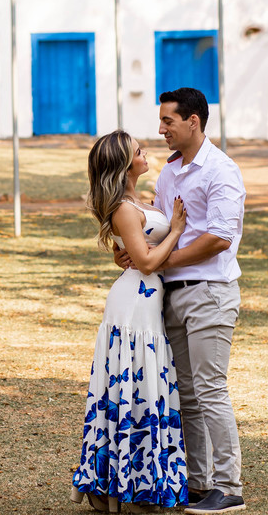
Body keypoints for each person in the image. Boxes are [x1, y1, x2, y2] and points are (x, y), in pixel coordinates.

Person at [117, 87, 247, 513]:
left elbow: (219, 239)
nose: (160, 129)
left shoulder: (222, 171)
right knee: (187, 394)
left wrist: (164, 260)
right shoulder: (171, 172)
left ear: (194, 121)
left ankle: (228, 487)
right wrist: (137, 251)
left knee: (210, 389)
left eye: (168, 121)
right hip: (172, 295)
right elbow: (158, 222)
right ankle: (198, 483)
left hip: (209, 292)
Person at [71, 130, 190, 513]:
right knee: (132, 389)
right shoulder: (124, 206)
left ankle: (130, 484)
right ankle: (122, 486)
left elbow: (136, 251)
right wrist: (175, 231)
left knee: (143, 388)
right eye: (139, 151)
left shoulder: (136, 200)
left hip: (146, 304)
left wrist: (135, 249)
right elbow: (148, 262)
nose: (146, 153)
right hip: (133, 308)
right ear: (125, 164)